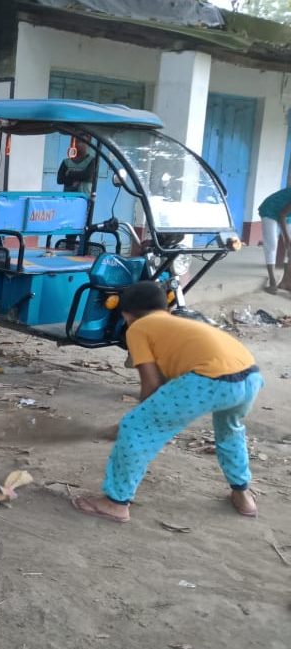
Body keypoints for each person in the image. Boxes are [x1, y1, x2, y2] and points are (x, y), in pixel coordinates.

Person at [72, 281, 263, 524]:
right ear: (165, 308)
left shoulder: (138, 328)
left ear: (126, 314)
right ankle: (242, 495)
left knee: (136, 427)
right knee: (229, 432)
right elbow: (171, 381)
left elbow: (151, 385)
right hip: (250, 376)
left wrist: (139, 422)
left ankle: (115, 503)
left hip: (209, 380)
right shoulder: (178, 323)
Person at [258, 186, 291, 294]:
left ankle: (285, 282)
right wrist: (286, 238)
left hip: (286, 213)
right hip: (270, 209)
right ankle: (272, 282)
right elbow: (282, 215)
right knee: (272, 244)